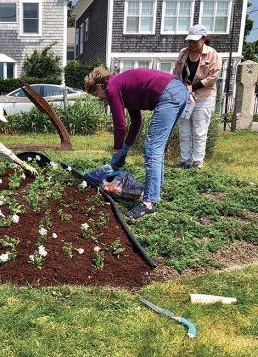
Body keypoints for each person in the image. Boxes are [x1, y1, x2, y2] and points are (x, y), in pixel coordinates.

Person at [84, 67, 188, 218]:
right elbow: (136, 122)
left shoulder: (111, 87)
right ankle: (154, 192)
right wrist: (124, 150)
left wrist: (117, 153)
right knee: (157, 148)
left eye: (97, 95)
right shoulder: (122, 85)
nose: (101, 98)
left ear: (99, 86)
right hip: (179, 91)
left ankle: (148, 203)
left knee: (152, 149)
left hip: (169, 93)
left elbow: (120, 125)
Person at [173, 24, 222, 169]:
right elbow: (176, 72)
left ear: (204, 39)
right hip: (184, 97)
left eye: (195, 41)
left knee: (199, 131)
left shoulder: (212, 54)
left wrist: (193, 87)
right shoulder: (183, 53)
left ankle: (197, 163)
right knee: (184, 130)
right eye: (190, 41)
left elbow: (213, 77)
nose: (192, 44)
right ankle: (185, 161)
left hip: (203, 97)